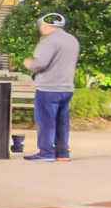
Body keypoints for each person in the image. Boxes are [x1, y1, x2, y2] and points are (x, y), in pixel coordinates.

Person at [25, 12, 80, 162]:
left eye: (41, 25)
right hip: (66, 87)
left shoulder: (49, 41)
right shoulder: (72, 40)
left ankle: (46, 152)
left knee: (46, 121)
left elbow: (40, 63)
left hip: (48, 87)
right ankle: (62, 153)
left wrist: (29, 64)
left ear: (46, 25)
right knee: (62, 121)